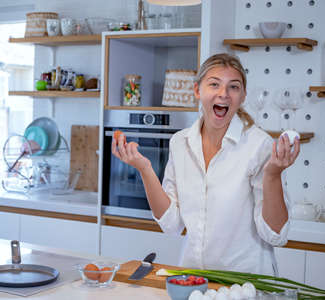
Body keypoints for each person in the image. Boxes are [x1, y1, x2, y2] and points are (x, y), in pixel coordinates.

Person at [111, 53, 300, 275]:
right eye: (214, 84)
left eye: (234, 87)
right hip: (194, 280)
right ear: (197, 91)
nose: (224, 94)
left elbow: (275, 234)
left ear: (243, 96)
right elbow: (171, 224)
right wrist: (144, 168)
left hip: (246, 284)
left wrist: (273, 175)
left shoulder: (260, 146)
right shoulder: (180, 142)